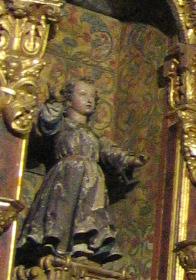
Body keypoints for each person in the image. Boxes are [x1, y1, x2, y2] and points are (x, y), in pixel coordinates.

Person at [17, 79, 142, 264]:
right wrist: (54, 102)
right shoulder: (63, 125)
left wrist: (129, 160)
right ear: (69, 100)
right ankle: (55, 245)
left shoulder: (93, 135)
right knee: (62, 210)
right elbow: (47, 122)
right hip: (66, 176)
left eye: (92, 96)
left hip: (92, 180)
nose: (89, 100)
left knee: (89, 213)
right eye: (83, 94)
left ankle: (82, 245)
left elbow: (109, 151)